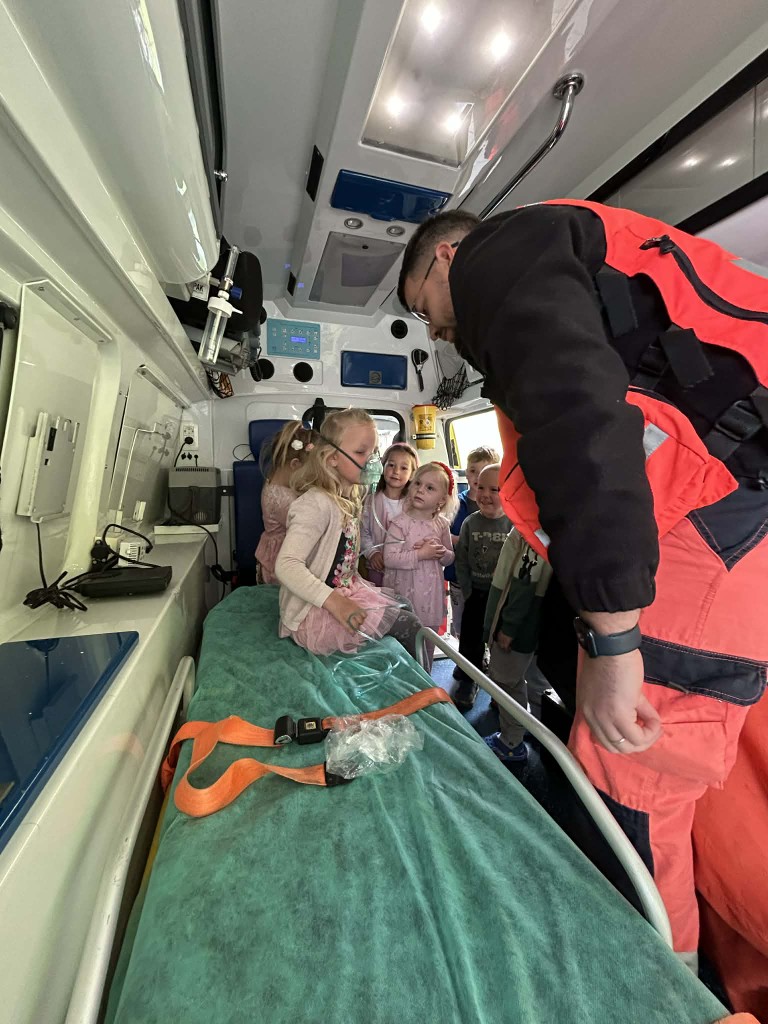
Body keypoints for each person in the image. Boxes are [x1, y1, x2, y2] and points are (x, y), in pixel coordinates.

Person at [396, 201, 768, 968]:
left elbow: (579, 418)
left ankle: (655, 993)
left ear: (446, 257)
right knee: (729, 797)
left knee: (631, 776)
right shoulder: (593, 259)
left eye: (421, 306)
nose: (432, 329)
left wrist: (614, 639)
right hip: (743, 522)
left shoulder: (499, 252)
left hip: (713, 524)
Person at [275, 408, 423, 659]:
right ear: (332, 457)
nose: (372, 461)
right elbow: (287, 564)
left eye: (374, 452)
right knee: (410, 626)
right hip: (314, 611)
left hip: (344, 589)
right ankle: (419, 684)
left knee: (405, 605)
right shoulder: (316, 503)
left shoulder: (350, 496)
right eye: (360, 452)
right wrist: (337, 603)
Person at [482, 529, 553, 765]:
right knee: (537, 680)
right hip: (539, 621)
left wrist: (509, 627)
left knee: (506, 680)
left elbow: (525, 578)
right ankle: (540, 730)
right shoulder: (552, 525)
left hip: (519, 626)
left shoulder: (532, 529)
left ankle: (511, 742)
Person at [382, 461, 457, 669]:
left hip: (431, 597)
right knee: (402, 645)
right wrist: (421, 554)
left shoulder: (441, 524)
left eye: (429, 488)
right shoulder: (399, 524)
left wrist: (440, 552)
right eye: (417, 484)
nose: (420, 490)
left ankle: (426, 679)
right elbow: (390, 558)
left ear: (441, 500)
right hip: (404, 593)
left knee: (427, 642)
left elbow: (450, 557)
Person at [453, 463, 511, 709]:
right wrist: (467, 591)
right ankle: (469, 680)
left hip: (502, 597)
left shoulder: (512, 525)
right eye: (480, 487)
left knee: (500, 645)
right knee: (470, 640)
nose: (485, 494)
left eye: (494, 489)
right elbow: (462, 560)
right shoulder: (470, 523)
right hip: (475, 593)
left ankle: (501, 689)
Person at [444, 445, 499, 641]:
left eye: (483, 472)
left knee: (489, 624)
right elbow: (441, 531)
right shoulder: (456, 504)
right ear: (466, 473)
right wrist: (462, 541)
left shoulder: (501, 509)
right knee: (463, 625)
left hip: (490, 582)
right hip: (459, 578)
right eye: (473, 471)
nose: (477, 477)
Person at [255, 421, 317, 584]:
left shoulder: (277, 483)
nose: (312, 479)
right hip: (280, 565)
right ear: (295, 465)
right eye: (310, 473)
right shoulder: (280, 499)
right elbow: (308, 526)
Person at [361, 442, 419, 586]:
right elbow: (362, 532)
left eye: (404, 468)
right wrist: (372, 553)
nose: (396, 471)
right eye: (391, 465)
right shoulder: (370, 501)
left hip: (406, 571)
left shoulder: (415, 505)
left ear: (412, 474)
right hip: (377, 568)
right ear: (382, 467)